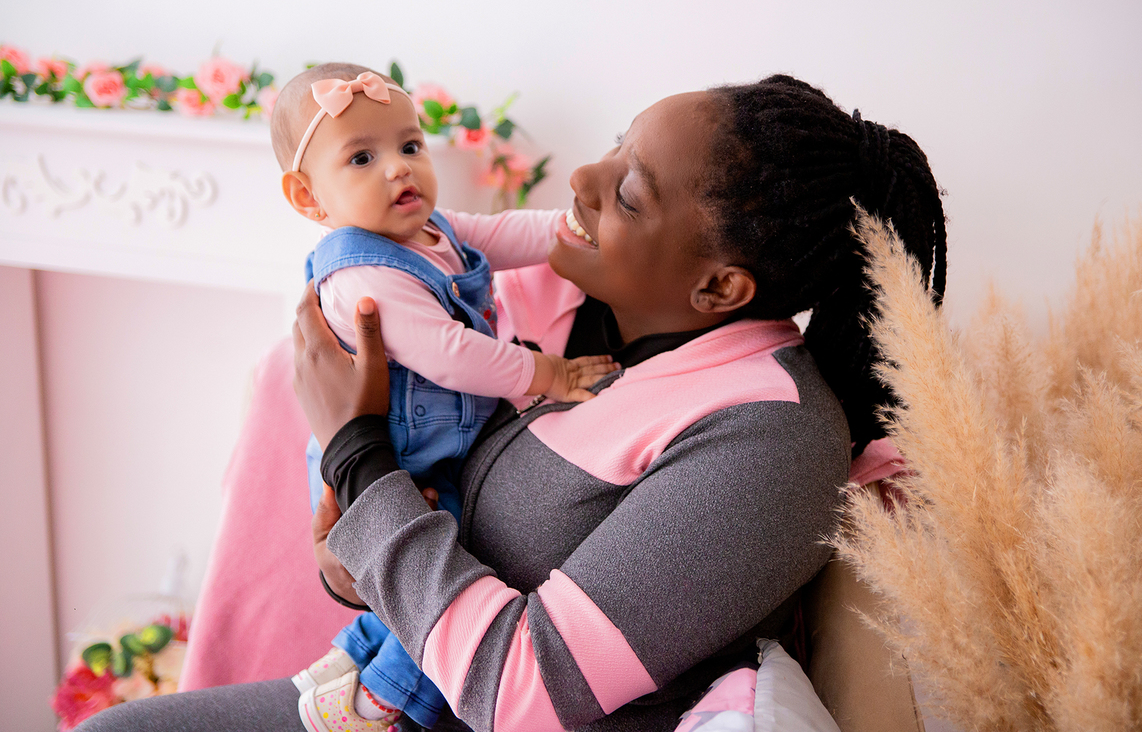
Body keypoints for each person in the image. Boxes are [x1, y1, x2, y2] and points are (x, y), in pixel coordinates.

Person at [78, 74, 947, 732]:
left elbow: (521, 686)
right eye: (615, 145)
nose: (584, 175)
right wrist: (355, 556)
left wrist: (355, 451)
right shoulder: (599, 336)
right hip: (391, 690)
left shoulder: (769, 437)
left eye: (632, 190)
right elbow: (453, 528)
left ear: (721, 285)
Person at [269, 62, 617, 730]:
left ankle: (348, 657)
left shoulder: (432, 233)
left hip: (431, 446)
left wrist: (573, 229)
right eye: (363, 158)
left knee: (437, 562)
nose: (399, 169)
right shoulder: (362, 273)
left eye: (409, 146)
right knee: (452, 568)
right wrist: (551, 374)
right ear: (310, 199)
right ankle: (389, 705)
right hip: (391, 456)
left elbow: (509, 233)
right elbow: (451, 356)